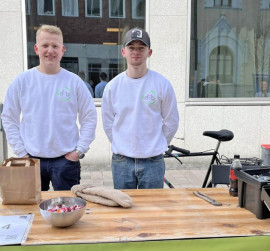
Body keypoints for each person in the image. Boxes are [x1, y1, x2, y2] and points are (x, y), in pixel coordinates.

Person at [1, 24, 97, 191]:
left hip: (66, 162)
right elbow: (9, 118)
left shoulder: (74, 82)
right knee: (33, 212)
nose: (50, 50)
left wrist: (79, 150)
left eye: (55, 46)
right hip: (31, 160)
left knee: (68, 209)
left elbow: (89, 117)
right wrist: (22, 153)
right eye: (45, 45)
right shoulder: (22, 82)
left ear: (63, 50)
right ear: (37, 49)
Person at [101, 27, 179, 189]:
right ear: (123, 51)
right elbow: (108, 123)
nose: (136, 51)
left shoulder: (161, 84)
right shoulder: (113, 87)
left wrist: (158, 143)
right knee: (123, 208)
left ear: (149, 52)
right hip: (122, 161)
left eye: (141, 48)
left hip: (153, 161)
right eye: (131, 47)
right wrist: (121, 144)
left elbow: (171, 121)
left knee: (153, 211)